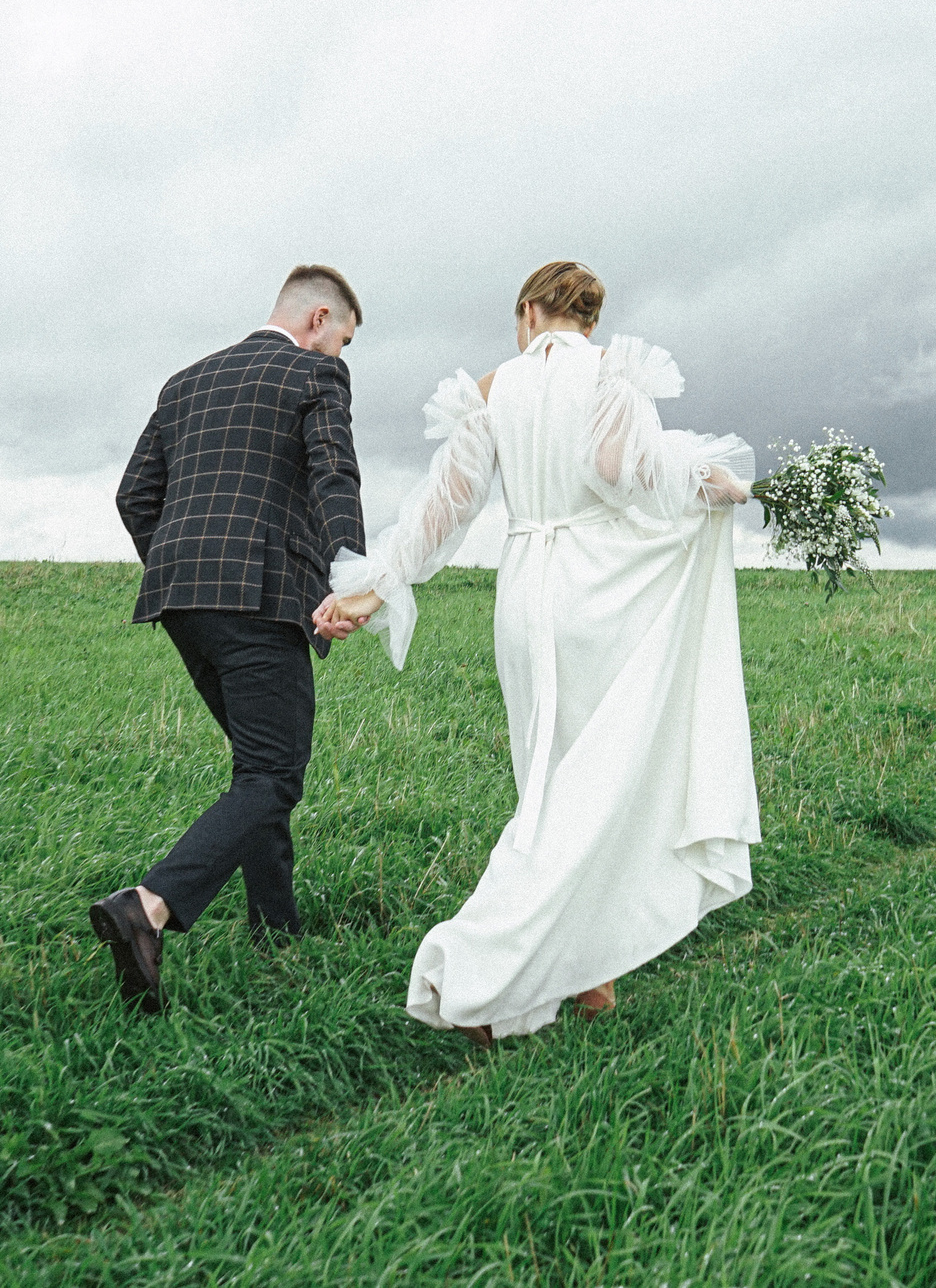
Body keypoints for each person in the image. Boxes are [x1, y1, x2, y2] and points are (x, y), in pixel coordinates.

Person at [314, 260, 760, 1045]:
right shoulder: (612, 376)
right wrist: (708, 480)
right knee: (594, 788)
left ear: (528, 312)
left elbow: (442, 510)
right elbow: (626, 471)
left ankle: (590, 983)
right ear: (589, 319)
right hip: (599, 593)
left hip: (523, 595)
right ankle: (479, 969)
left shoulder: (493, 389)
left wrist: (375, 586)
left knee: (547, 786)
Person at [92, 265, 369, 1014]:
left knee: (258, 766)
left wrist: (184, 566)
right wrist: (353, 578)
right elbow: (334, 474)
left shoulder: (185, 381)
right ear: (319, 320)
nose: (339, 356)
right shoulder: (316, 376)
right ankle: (147, 908)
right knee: (275, 773)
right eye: (341, 340)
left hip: (182, 601)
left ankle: (276, 929)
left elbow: (133, 495)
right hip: (261, 597)